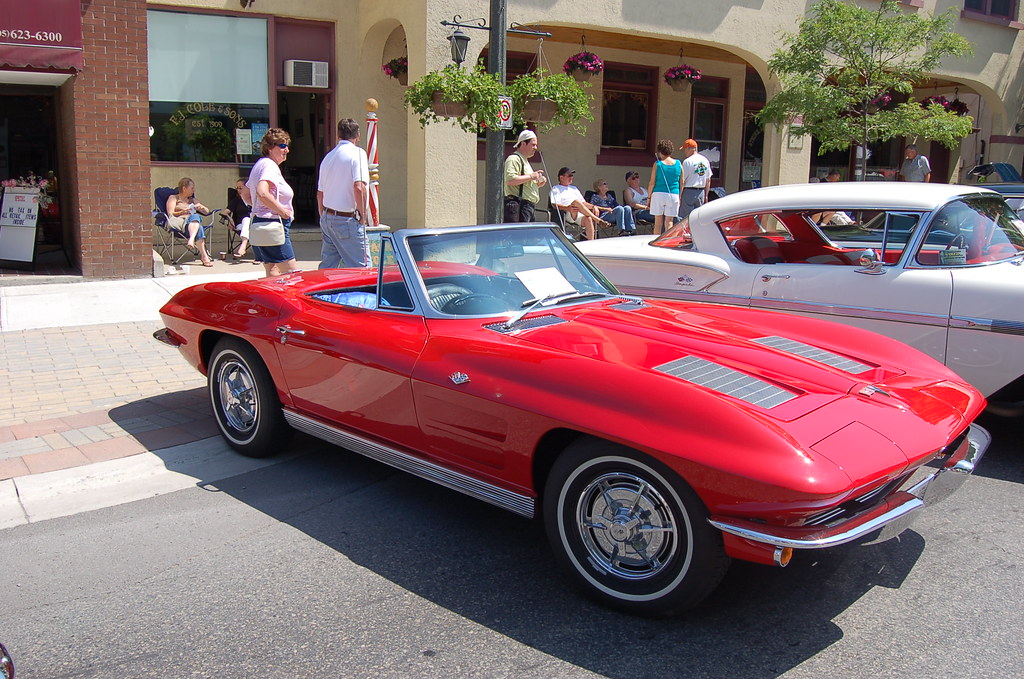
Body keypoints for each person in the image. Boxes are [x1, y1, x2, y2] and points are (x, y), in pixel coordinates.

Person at [317, 118, 371, 268]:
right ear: (358, 135)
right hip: (346, 219)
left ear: (338, 136)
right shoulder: (358, 153)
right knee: (362, 269)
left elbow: (320, 193)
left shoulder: (328, 157)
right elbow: (359, 187)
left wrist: (323, 216)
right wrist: (363, 215)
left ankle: (321, 291)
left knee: (328, 268)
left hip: (328, 217)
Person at [246, 128, 299, 277]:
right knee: (292, 274)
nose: (287, 150)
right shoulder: (269, 166)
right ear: (270, 148)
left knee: (273, 272)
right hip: (273, 224)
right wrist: (282, 211)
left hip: (260, 223)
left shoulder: (260, 164)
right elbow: (262, 192)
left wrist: (260, 208)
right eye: (282, 146)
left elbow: (245, 193)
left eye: (287, 146)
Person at [549, 167, 609, 241]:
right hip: (566, 213)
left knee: (588, 219)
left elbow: (583, 203)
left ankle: (591, 243)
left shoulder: (574, 188)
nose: (571, 177)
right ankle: (597, 220)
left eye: (572, 175)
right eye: (569, 176)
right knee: (576, 202)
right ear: (561, 177)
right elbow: (554, 204)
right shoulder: (556, 189)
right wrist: (568, 208)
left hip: (579, 212)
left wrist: (594, 207)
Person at [166, 177, 214, 267]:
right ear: (184, 188)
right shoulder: (174, 198)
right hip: (179, 223)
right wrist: (183, 212)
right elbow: (171, 214)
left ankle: (192, 240)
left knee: (196, 218)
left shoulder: (193, 200)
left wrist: (201, 207)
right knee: (197, 221)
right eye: (192, 188)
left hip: (191, 226)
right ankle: (204, 256)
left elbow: (207, 212)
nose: (194, 190)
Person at [503, 129, 546, 222]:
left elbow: (524, 183)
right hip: (519, 206)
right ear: (523, 143)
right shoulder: (514, 159)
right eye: (533, 144)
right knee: (520, 235)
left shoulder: (524, 160)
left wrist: (537, 183)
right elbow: (510, 180)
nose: (535, 148)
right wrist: (531, 176)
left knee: (527, 236)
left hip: (527, 207)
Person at [647, 139, 682, 235]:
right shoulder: (679, 164)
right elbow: (681, 182)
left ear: (660, 151)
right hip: (673, 193)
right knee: (669, 221)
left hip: (658, 193)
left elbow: (652, 183)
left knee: (658, 222)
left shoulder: (658, 164)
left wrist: (649, 197)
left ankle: (655, 242)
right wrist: (680, 195)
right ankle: (667, 242)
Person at [678, 138, 713, 220]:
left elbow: (682, 180)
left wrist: (679, 195)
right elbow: (708, 180)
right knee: (698, 218)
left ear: (689, 149)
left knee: (685, 219)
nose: (685, 152)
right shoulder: (705, 160)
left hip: (688, 191)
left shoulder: (687, 161)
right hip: (701, 192)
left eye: (685, 149)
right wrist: (706, 195)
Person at [224, 177, 252, 260]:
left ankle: (259, 256)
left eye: (241, 188)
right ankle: (243, 246)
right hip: (240, 225)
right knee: (246, 220)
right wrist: (229, 219)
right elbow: (224, 212)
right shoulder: (236, 201)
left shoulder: (254, 200)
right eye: (237, 188)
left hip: (254, 225)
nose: (238, 190)